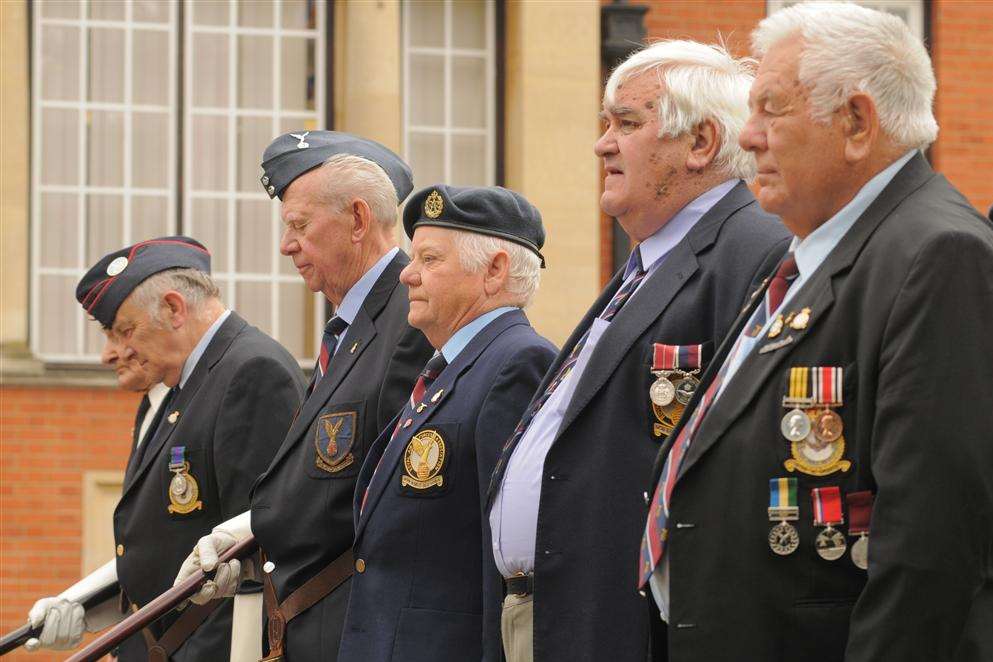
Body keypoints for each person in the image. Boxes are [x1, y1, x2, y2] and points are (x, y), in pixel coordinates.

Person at [638, 3, 993, 660]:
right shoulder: (809, 254)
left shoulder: (934, 252)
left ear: (856, 122)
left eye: (770, 109)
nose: (747, 137)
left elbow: (930, 546)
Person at [485, 40, 790, 662]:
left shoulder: (754, 252)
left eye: (627, 122)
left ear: (702, 144)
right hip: (557, 617)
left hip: (633, 629)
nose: (602, 143)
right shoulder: (650, 261)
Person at [173, 131, 435, 661]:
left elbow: (387, 493)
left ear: (358, 221)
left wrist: (255, 525)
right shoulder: (353, 327)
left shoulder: (411, 319)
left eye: (299, 226)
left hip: (359, 629)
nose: (286, 245)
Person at [26, 236, 306, 660]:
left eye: (124, 330)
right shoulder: (175, 386)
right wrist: (79, 603)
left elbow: (254, 559)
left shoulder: (252, 371)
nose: (108, 354)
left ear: (175, 309)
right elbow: (161, 545)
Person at [337, 184, 557, 662]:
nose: (407, 276)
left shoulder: (518, 363)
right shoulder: (451, 368)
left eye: (430, 260)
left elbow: (501, 556)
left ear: (495, 271)